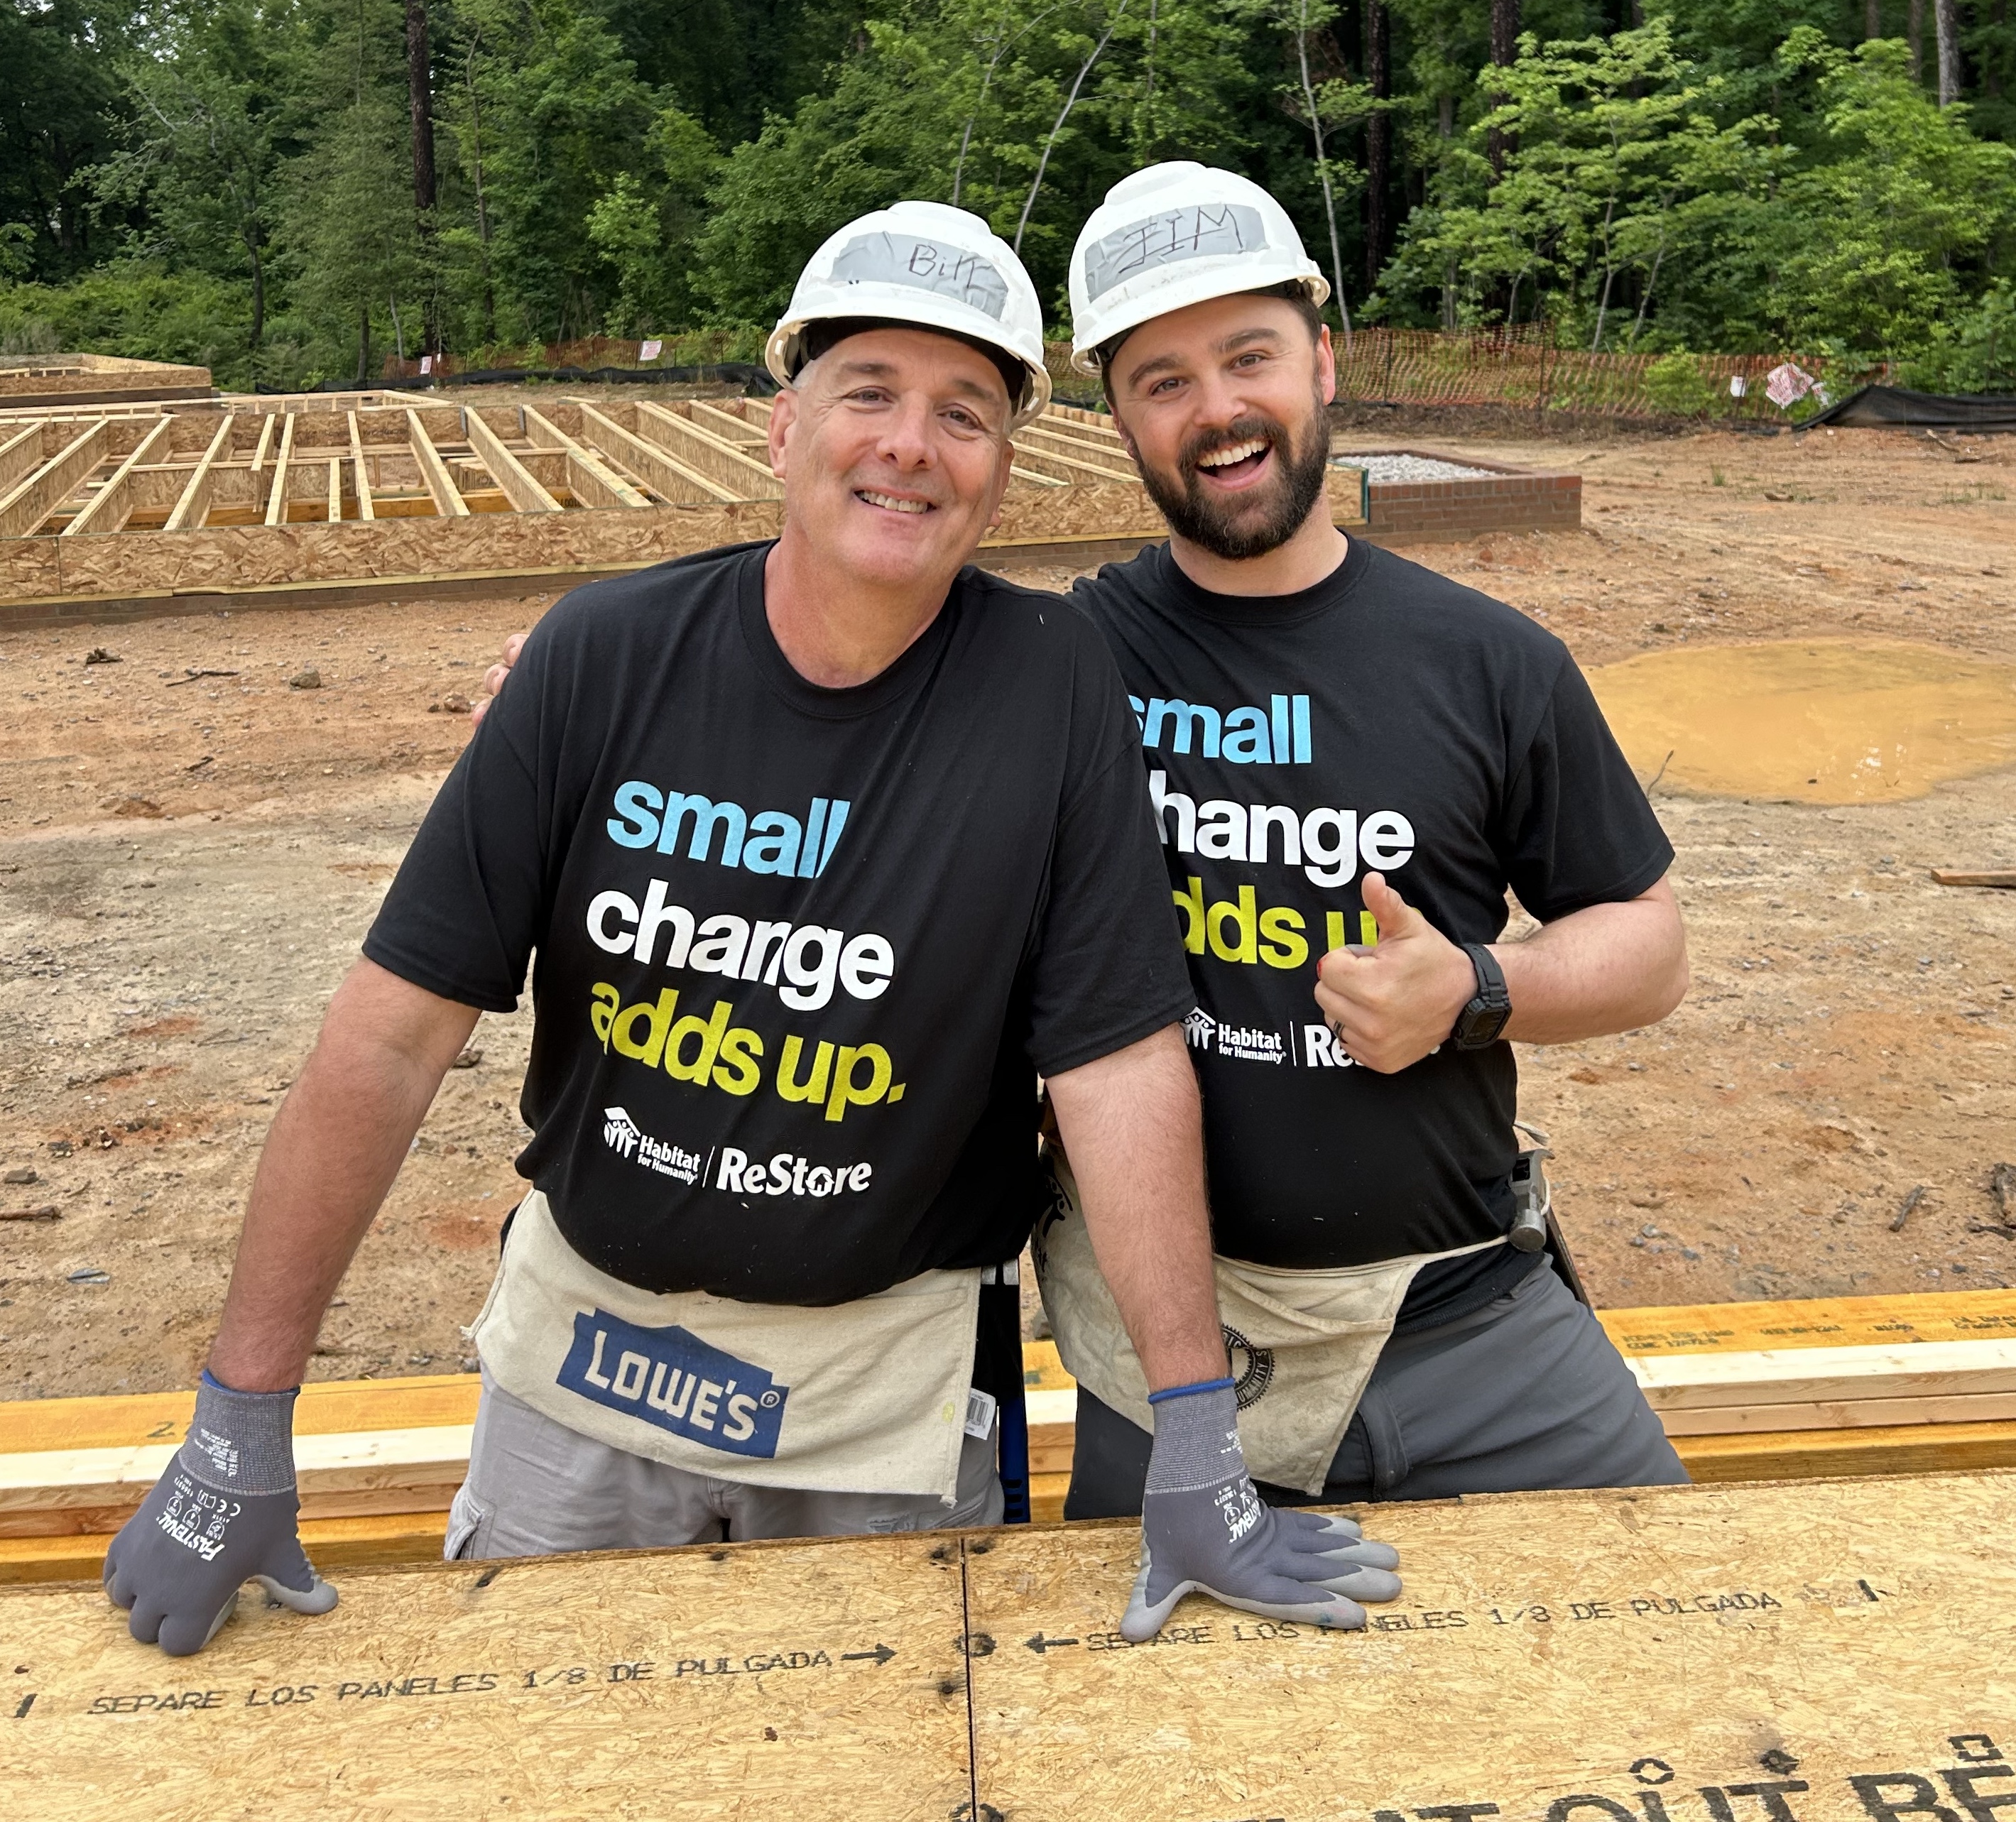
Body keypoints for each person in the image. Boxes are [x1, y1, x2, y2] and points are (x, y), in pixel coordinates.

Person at [102, 201, 1402, 1660]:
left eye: (963, 411)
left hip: (880, 1403)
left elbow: (1113, 1066)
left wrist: (1193, 1436)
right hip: (580, 1378)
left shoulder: (1050, 690)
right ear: (782, 431)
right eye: (870, 394)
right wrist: (238, 1413)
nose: (911, 442)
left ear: (1002, 470)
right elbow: (391, 1037)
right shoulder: (602, 657)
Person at [479, 163, 1689, 1522]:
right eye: (1162, 380)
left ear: (1324, 361)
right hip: (1159, 1352)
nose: (1218, 408)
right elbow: (819, 685)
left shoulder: (1488, 662)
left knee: (1705, 1627)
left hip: (1468, 1313)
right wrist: (596, 692)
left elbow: (1648, 944)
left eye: (1250, 357)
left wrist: (1478, 987)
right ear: (1115, 418)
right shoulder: (1052, 668)